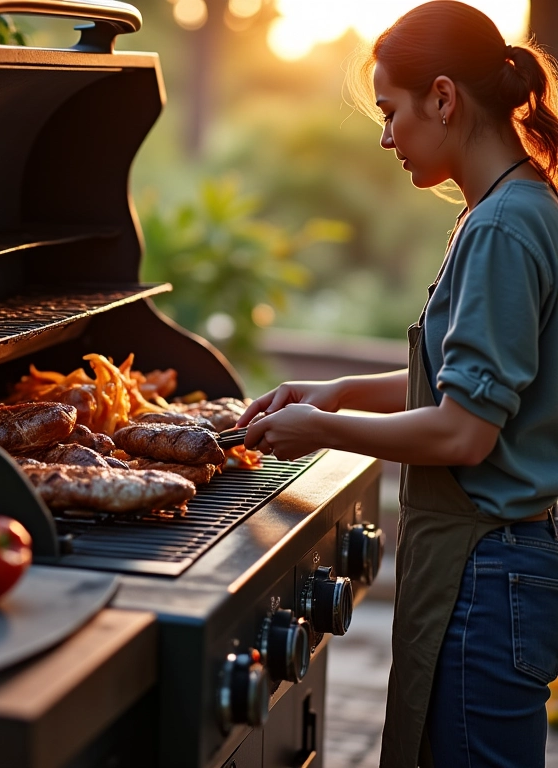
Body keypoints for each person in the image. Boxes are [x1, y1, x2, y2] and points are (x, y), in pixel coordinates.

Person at [236, 2, 558, 766]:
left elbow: (462, 433)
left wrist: (322, 433)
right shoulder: (513, 208)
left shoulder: (504, 226)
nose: (385, 136)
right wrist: (338, 391)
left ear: (443, 98)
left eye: (390, 110)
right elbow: (467, 389)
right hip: (492, 565)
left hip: (487, 569)